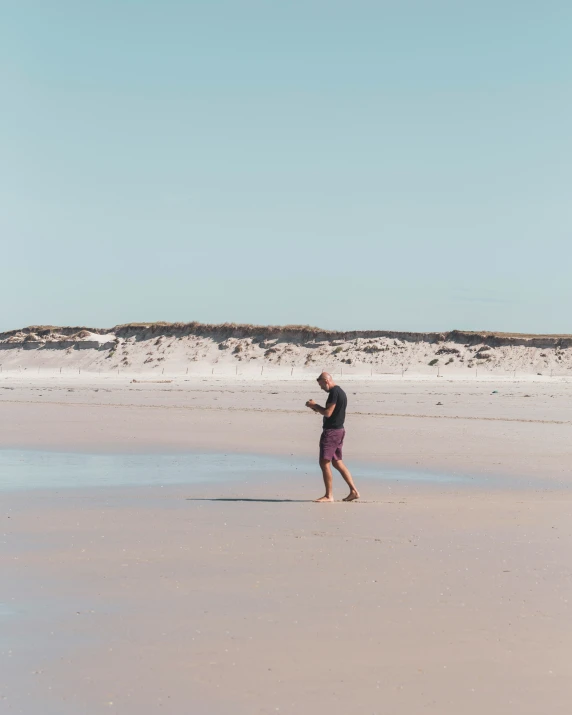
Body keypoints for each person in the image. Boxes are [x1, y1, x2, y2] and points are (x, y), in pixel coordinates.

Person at [305, 372, 360, 502]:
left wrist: (315, 405)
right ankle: (354, 491)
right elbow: (330, 412)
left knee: (324, 462)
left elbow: (328, 413)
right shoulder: (339, 391)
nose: (321, 387)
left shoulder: (334, 392)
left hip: (332, 432)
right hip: (339, 430)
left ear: (326, 381)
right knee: (337, 462)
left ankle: (329, 495)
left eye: (321, 384)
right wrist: (315, 408)